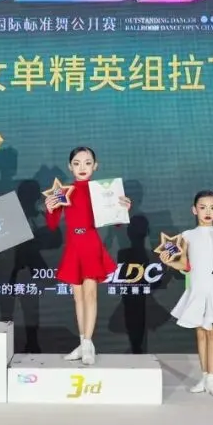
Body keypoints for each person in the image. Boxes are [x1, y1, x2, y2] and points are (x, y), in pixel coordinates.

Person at [45, 146, 131, 365]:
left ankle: (87, 343)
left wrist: (122, 208)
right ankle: (84, 343)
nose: (82, 167)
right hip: (73, 246)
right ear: (70, 167)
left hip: (91, 244)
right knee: (78, 297)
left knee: (90, 294)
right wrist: (50, 208)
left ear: (95, 166)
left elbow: (116, 222)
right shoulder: (64, 191)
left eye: (87, 163)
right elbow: (52, 225)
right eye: (77, 163)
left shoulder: (101, 191)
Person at [158, 190, 213, 397]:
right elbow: (184, 264)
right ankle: (204, 377)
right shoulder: (187, 236)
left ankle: (212, 379)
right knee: (200, 333)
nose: (208, 212)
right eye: (203, 207)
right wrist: (168, 261)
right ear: (194, 210)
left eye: (212, 208)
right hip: (196, 289)